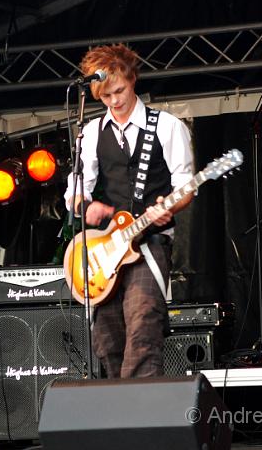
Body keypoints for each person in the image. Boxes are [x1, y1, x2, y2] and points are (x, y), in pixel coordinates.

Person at [64, 43, 194, 378]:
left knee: (143, 324)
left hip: (148, 242)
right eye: (106, 96)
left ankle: (143, 415)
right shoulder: (90, 133)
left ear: (132, 79)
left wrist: (168, 207)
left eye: (119, 91)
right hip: (105, 247)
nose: (115, 101)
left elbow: (186, 186)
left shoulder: (166, 126)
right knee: (107, 338)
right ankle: (116, 411)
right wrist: (88, 207)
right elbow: (75, 193)